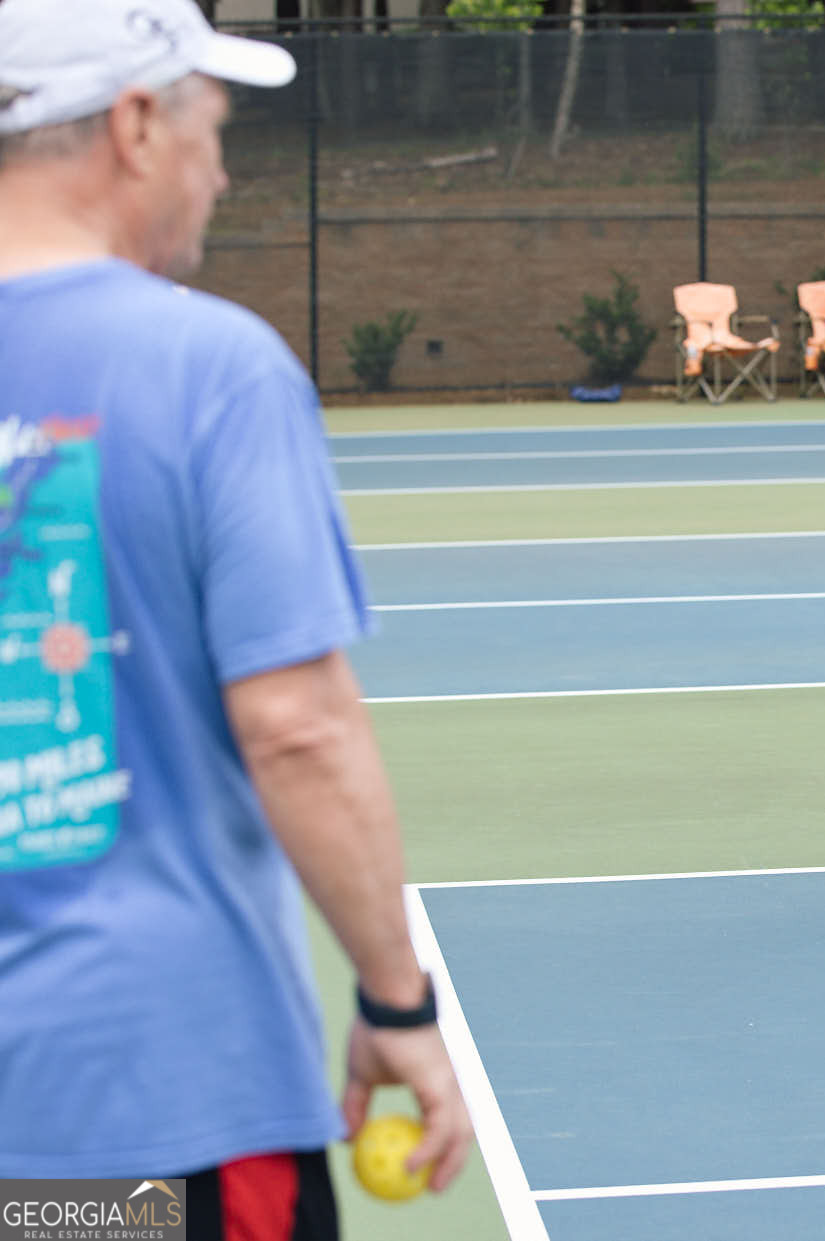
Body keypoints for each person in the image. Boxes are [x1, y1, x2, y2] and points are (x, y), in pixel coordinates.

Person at [0, 0, 474, 1233]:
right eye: (214, 128)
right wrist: (397, 1000)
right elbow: (299, 729)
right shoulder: (211, 367)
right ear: (135, 123)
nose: (221, 169)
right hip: (152, 1104)